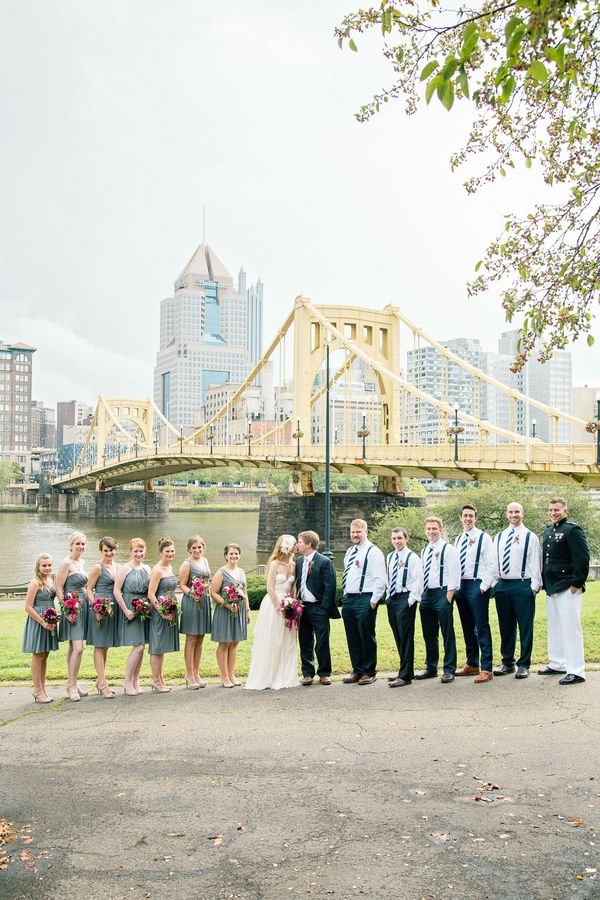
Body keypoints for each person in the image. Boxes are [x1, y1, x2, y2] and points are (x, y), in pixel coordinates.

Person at [539, 497, 590, 685]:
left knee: (570, 628)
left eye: (557, 510)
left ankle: (576, 670)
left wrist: (576, 582)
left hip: (568, 585)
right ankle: (557, 663)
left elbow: (582, 558)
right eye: (551, 510)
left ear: (565, 511)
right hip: (552, 586)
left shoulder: (572, 530)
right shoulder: (548, 531)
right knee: (555, 627)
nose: (553, 513)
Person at [492, 501, 543, 680]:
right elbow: (494, 561)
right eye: (511, 512)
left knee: (525, 626)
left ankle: (524, 664)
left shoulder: (530, 537)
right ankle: (507, 662)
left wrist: (534, 587)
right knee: (506, 626)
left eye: (517, 512)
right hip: (503, 585)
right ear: (507, 514)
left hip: (523, 585)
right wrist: (494, 584)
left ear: (523, 513)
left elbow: (536, 562)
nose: (514, 515)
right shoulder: (499, 536)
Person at [245, 534, 300, 691]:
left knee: (287, 640)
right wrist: (279, 608)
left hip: (289, 604)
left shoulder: (293, 564)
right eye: (293, 544)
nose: (295, 547)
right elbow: (269, 587)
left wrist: (294, 606)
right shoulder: (274, 563)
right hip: (273, 604)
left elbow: (294, 587)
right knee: (272, 640)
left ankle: (286, 676)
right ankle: (268, 677)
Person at [415, 516, 461, 684]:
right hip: (427, 595)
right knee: (429, 634)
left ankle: (449, 669)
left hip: (443, 594)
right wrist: (420, 595)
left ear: (441, 530)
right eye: (429, 529)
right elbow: (422, 575)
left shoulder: (449, 549)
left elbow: (455, 575)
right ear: (425, 531)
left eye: (435, 529)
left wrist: (448, 598)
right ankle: (431, 667)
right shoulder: (425, 550)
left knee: (447, 633)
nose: (432, 532)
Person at [341, 519, 387, 685]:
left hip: (365, 599)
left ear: (366, 532)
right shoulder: (350, 551)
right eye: (352, 532)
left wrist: (373, 601)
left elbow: (380, 579)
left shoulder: (373, 552)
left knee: (366, 636)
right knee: (352, 637)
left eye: (358, 532)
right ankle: (357, 670)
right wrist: (345, 594)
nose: (355, 535)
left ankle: (369, 671)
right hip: (349, 599)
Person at [453, 505, 495, 683]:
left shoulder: (484, 537)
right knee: (467, 626)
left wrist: (484, 586)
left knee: (481, 626)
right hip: (461, 585)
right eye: (465, 516)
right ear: (460, 518)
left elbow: (491, 563)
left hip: (477, 584)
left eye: (471, 516)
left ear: (475, 518)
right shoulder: (458, 539)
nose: (468, 518)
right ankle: (472, 663)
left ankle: (487, 668)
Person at [295, 530, 337, 686]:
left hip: (318, 608)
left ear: (308, 544)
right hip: (302, 608)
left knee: (322, 642)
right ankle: (307, 673)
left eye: (299, 542)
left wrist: (324, 608)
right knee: (305, 641)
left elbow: (330, 587)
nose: (297, 545)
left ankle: (325, 673)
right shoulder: (299, 562)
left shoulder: (324, 562)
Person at [385, 527, 423, 688]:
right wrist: (388, 596)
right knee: (398, 636)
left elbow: (418, 580)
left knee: (406, 637)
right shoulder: (390, 557)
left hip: (405, 598)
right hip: (392, 599)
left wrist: (411, 600)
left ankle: (405, 676)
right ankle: (405, 670)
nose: (396, 541)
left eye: (399, 538)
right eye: (394, 538)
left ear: (406, 538)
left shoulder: (413, 557)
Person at [114, 538, 151, 696]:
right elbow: (116, 590)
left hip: (143, 609)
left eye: (141, 550)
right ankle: (127, 681)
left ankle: (135, 680)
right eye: (136, 551)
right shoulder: (125, 568)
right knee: (138, 646)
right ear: (130, 551)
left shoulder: (148, 568)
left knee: (142, 647)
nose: (139, 553)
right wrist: (126, 610)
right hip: (130, 608)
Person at [210, 544, 251, 688]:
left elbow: (244, 593)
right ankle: (224, 675)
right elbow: (213, 592)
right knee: (224, 643)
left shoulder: (241, 572)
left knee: (234, 642)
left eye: (236, 554)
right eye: (231, 554)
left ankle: (232, 674)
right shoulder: (221, 572)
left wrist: (247, 610)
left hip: (238, 611)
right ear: (226, 555)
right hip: (225, 611)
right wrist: (226, 604)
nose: (234, 556)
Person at [56, 531, 89, 702]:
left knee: (72, 647)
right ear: (71, 545)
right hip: (72, 607)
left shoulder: (82, 562)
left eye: (83, 544)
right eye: (78, 544)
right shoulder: (65, 563)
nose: (81, 546)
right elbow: (59, 589)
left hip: (84, 607)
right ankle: (72, 685)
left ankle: (72, 683)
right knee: (78, 648)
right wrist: (66, 610)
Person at [85, 536, 120, 699]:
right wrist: (96, 607)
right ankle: (102, 683)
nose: (109, 553)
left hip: (111, 609)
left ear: (115, 550)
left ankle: (101, 681)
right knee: (99, 645)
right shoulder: (97, 568)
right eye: (106, 551)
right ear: (101, 551)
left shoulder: (118, 567)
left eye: (111, 550)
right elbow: (89, 589)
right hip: (99, 608)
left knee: (105, 645)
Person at [22, 553, 59, 703]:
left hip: (50, 620)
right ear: (38, 566)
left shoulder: (51, 580)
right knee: (38, 655)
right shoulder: (35, 583)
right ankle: (36, 690)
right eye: (44, 565)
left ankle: (43, 688)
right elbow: (28, 607)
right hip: (38, 622)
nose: (47, 568)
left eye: (49, 565)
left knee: (45, 655)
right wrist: (43, 622)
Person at [179, 535, 212, 689]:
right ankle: (189, 674)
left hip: (204, 601)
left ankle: (197, 673)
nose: (197, 550)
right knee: (191, 638)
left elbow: (208, 582)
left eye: (199, 547)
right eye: (194, 548)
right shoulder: (187, 564)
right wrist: (192, 593)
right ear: (189, 549)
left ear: (203, 547)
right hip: (192, 602)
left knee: (200, 637)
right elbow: (182, 585)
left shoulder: (205, 561)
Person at [148, 537, 180, 693]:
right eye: (167, 551)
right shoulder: (157, 569)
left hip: (169, 610)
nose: (170, 553)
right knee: (157, 646)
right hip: (160, 612)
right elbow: (151, 593)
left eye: (172, 551)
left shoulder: (170, 568)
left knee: (161, 648)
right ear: (161, 553)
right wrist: (161, 611)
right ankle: (155, 680)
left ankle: (160, 678)